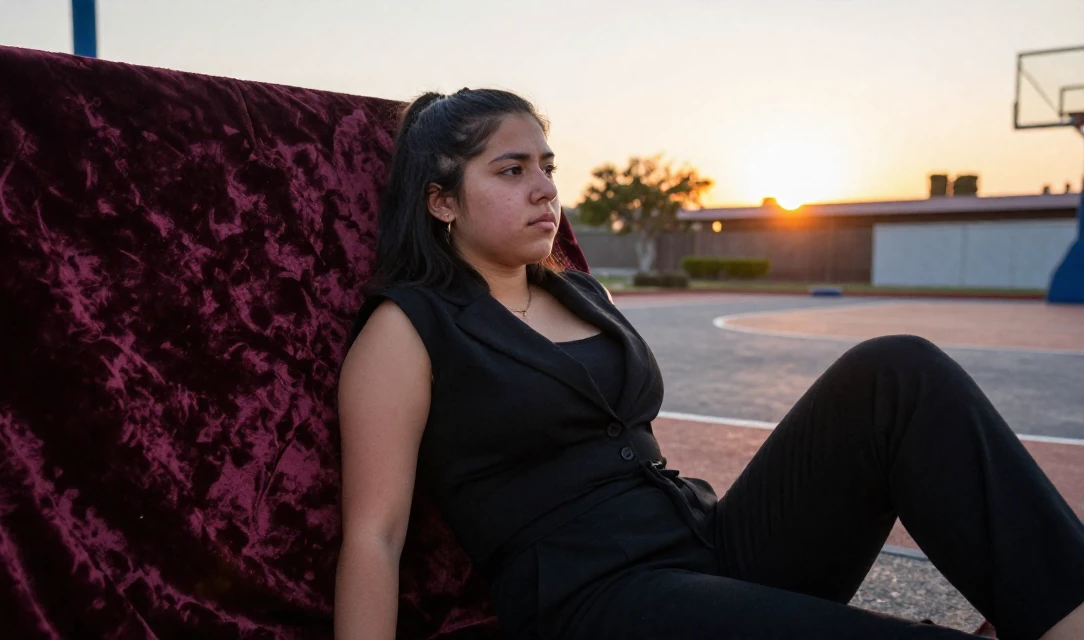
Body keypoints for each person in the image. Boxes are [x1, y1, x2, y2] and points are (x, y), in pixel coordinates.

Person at [333, 88, 1084, 640]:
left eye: (548, 166)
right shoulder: (408, 327)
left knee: (896, 371)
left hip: (710, 547)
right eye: (510, 170)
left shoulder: (579, 291)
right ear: (441, 201)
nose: (545, 189)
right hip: (602, 599)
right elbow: (376, 534)